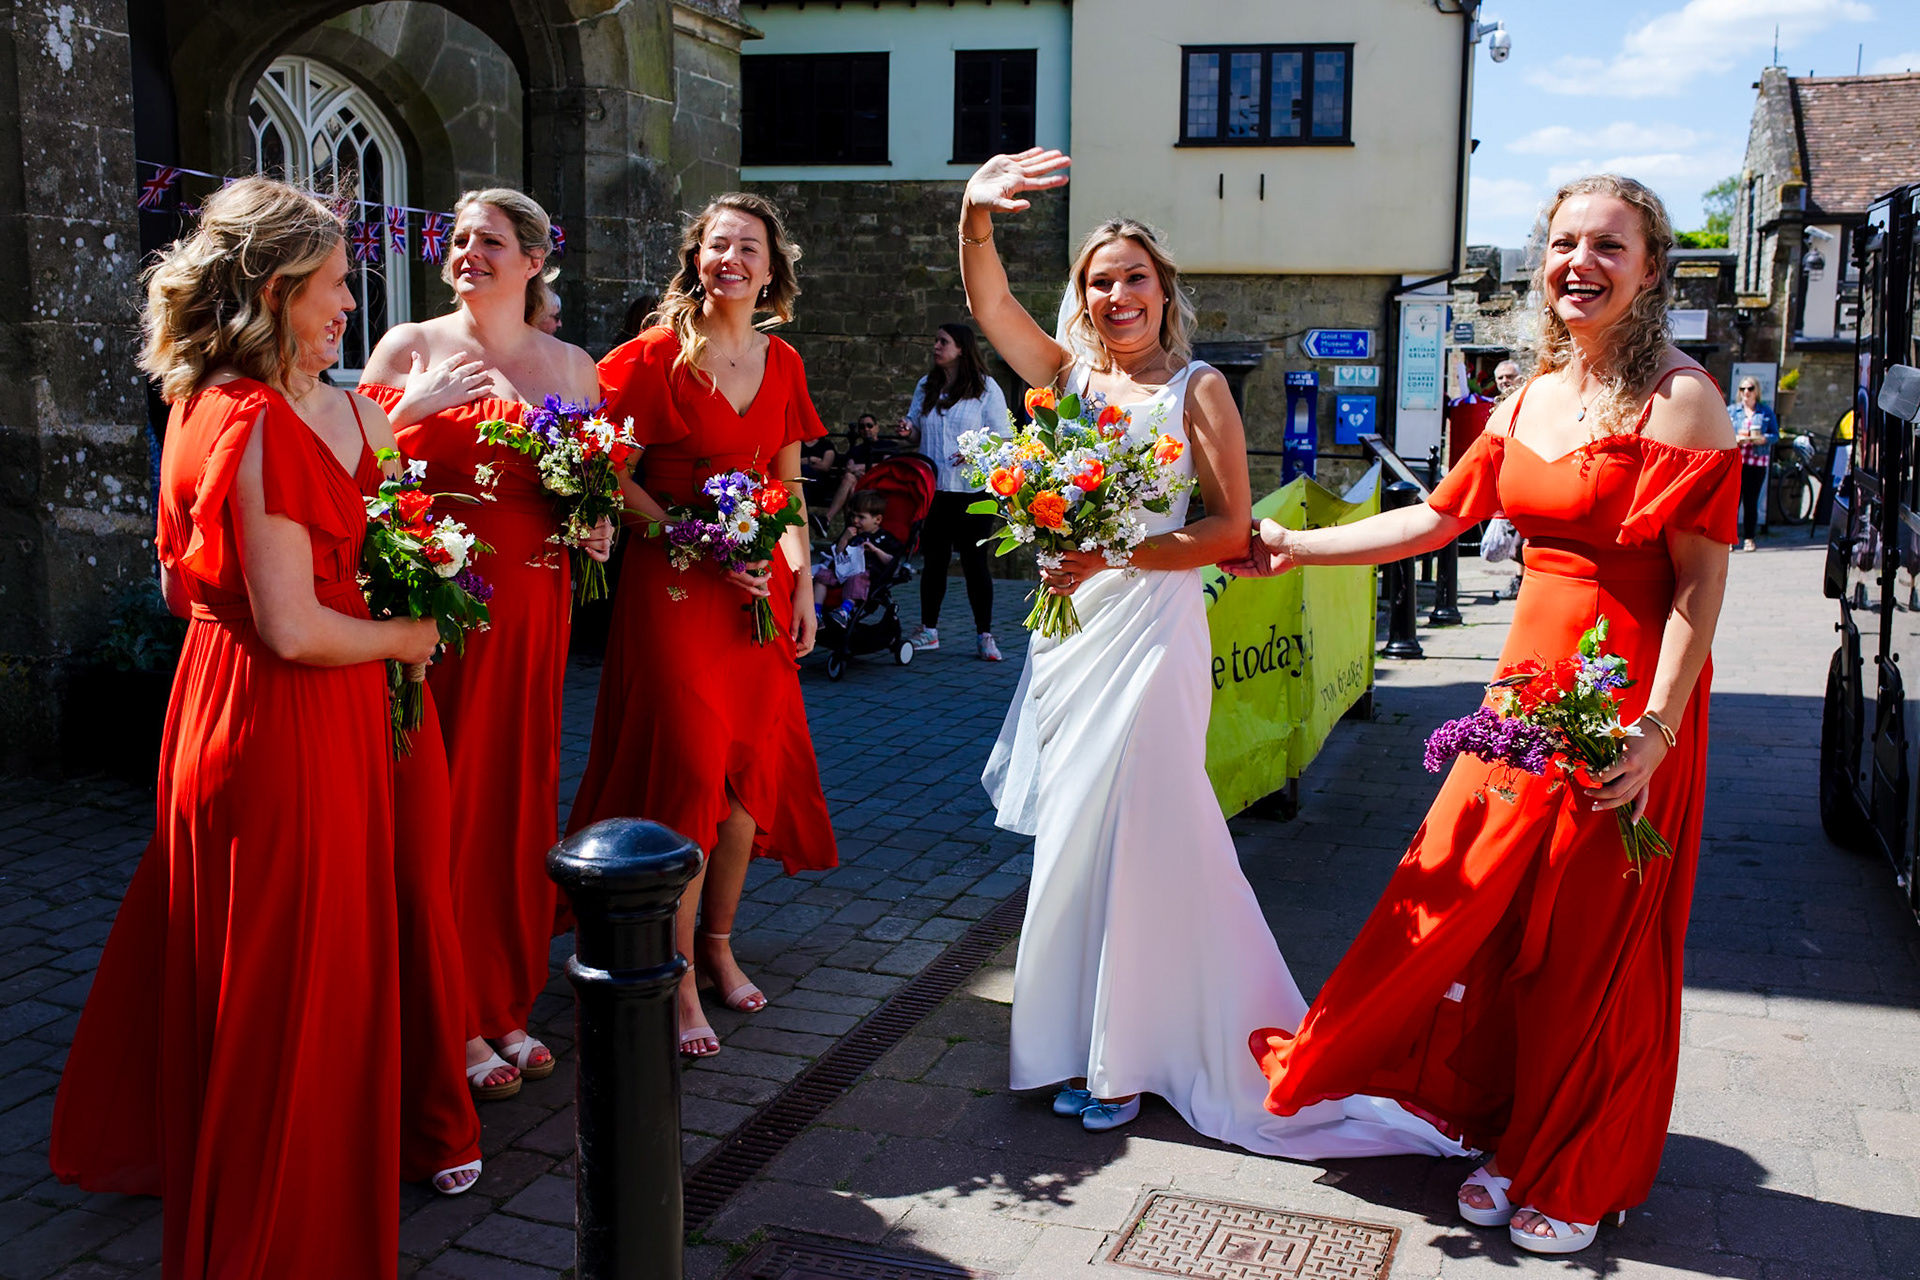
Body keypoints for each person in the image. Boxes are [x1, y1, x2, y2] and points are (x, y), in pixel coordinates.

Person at [1233, 174, 1737, 1256]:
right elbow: (1436, 517)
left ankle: (1571, 1165)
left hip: (1626, 710)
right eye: (1564, 242)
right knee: (1478, 920)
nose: (1580, 262)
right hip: (1516, 707)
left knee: (1589, 946)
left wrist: (1655, 730)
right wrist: (1296, 545)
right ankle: (1503, 1131)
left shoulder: (1683, 398)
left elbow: (1699, 585)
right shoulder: (1527, 396)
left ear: (1650, 268)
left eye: (1610, 244)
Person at [958, 148, 1461, 1158]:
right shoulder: (1064, 381)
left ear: (1163, 290)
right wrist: (974, 214)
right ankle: (1074, 1040)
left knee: (1148, 831)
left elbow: (1233, 528)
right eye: (1100, 280)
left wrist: (1111, 551)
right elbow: (992, 305)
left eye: (1133, 276)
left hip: (1153, 627)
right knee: (1079, 840)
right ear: (1084, 297)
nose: (1115, 294)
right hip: (1077, 641)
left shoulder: (1197, 391)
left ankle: (1132, 1056)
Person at [49, 177, 441, 1275]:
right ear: (274, 290)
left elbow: (187, 595)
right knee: (299, 998)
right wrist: (408, 636)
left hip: (213, 704)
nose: (348, 308)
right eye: (332, 287)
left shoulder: (198, 400)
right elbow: (296, 627)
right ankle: (278, 1238)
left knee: (244, 981)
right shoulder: (262, 419)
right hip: (290, 724)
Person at [570, 191, 838, 1059]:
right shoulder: (650, 357)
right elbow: (609, 475)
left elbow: (788, 485)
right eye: (717, 245)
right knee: (688, 773)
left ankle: (718, 947)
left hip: (755, 592)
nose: (731, 259)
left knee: (745, 788)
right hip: (675, 589)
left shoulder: (784, 363)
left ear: (772, 268)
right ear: (697, 260)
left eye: (748, 248)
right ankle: (676, 971)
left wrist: (800, 582)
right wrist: (684, 534)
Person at [360, 188, 611, 1100]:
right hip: (440, 607)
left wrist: (596, 524)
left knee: (513, 794)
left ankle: (504, 998)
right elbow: (352, 477)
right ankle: (445, 1009)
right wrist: (410, 405)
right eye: (459, 240)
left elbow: (594, 482)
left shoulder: (573, 365)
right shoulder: (408, 347)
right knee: (442, 802)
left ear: (535, 260)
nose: (468, 254)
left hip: (536, 606)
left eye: (491, 242)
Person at [899, 322, 1010, 660]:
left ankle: (985, 635)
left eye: (943, 342)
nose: (936, 346)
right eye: (935, 340)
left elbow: (1002, 437)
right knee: (934, 561)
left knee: (976, 563)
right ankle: (929, 630)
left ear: (961, 348)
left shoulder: (985, 388)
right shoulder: (926, 385)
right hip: (934, 488)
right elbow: (917, 433)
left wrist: (977, 451)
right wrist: (908, 431)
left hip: (972, 489)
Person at [813, 489, 902, 625]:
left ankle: (844, 611)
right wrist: (844, 539)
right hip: (843, 571)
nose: (855, 521)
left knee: (857, 578)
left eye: (861, 517)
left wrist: (876, 550)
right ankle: (816, 611)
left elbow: (892, 561)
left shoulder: (885, 538)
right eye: (853, 516)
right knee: (822, 576)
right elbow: (837, 553)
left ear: (877, 520)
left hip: (865, 575)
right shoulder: (851, 533)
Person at [1731, 375, 1777, 551]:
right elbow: (1723, 431)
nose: (1746, 393)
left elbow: (1775, 435)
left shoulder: (1765, 412)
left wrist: (1763, 439)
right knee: (1733, 502)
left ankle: (1749, 538)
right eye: (1743, 389)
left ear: (1756, 391)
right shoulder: (1732, 411)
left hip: (1756, 462)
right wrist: (1734, 438)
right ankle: (1730, 539)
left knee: (1751, 502)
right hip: (1737, 461)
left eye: (1750, 389)